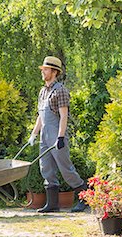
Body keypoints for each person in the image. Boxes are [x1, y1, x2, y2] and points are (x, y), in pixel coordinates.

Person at [28, 56, 87, 213]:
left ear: (54, 72)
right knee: (45, 168)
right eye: (43, 69)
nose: (43, 72)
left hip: (56, 136)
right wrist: (34, 134)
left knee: (65, 169)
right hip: (44, 136)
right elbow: (41, 115)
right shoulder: (43, 91)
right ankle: (52, 204)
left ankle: (84, 197)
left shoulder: (60, 91)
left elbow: (63, 116)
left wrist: (60, 137)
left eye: (46, 69)